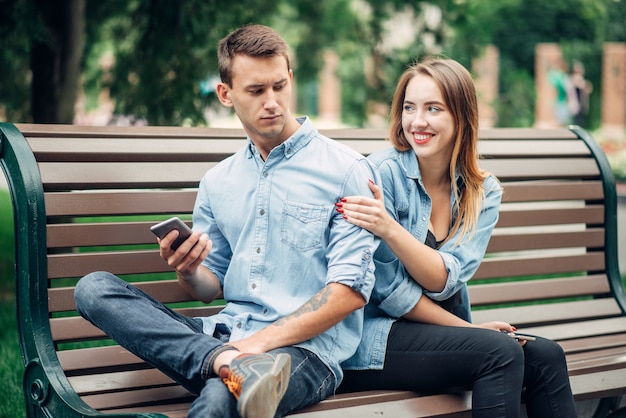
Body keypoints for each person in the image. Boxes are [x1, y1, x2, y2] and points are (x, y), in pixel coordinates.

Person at [74, 24, 380, 418]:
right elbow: (208, 288)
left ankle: (227, 366)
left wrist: (255, 347)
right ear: (226, 94)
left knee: (222, 398)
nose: (272, 102)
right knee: (93, 289)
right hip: (223, 337)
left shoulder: (346, 170)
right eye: (256, 91)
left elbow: (349, 292)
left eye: (280, 86)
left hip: (305, 354)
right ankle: (223, 363)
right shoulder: (218, 181)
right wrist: (189, 270)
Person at [336, 57, 577, 417]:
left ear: (461, 117)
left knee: (546, 355)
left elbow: (444, 281)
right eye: (409, 108)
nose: (418, 122)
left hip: (434, 335)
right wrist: (471, 331)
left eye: (434, 109)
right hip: (370, 340)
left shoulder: (482, 191)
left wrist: (390, 228)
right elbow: (388, 295)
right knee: (500, 352)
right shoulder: (378, 176)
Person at [569, 60, 593, 127]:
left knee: (581, 122)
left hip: (582, 105)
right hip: (575, 105)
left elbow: (589, 89)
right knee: (576, 123)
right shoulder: (572, 79)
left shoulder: (582, 80)